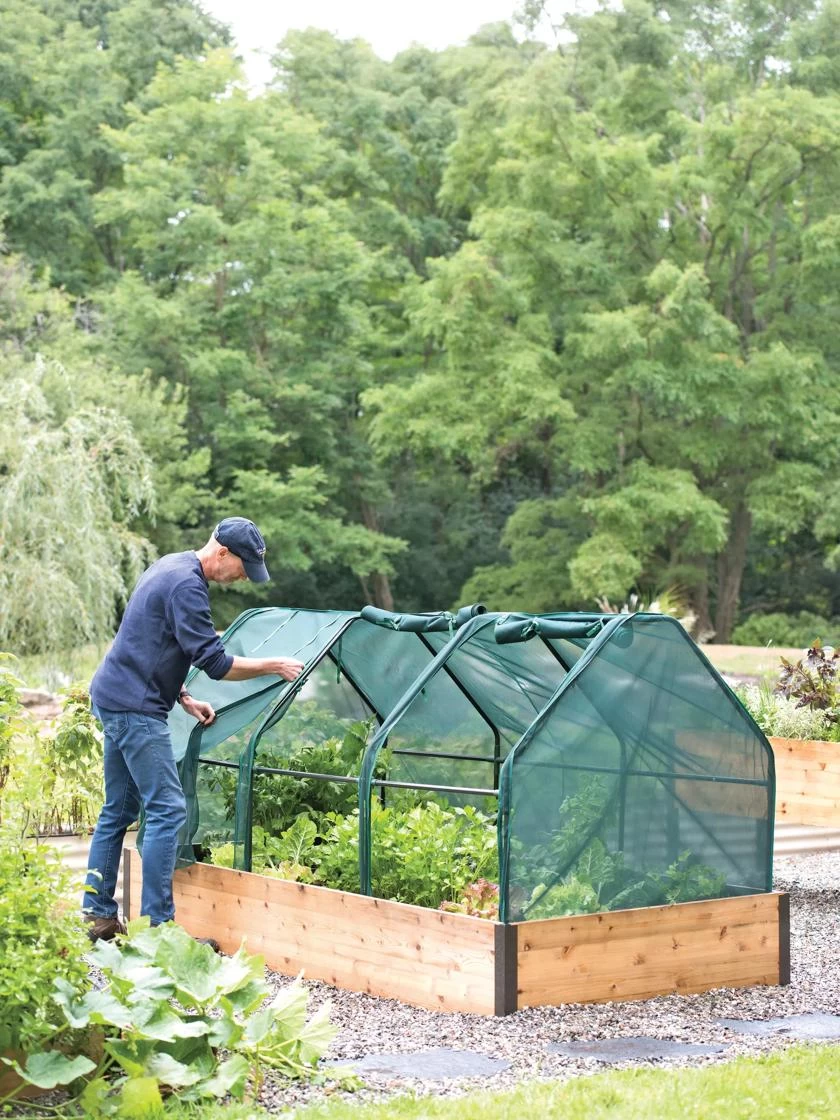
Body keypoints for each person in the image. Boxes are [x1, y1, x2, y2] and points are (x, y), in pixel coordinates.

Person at [83, 516, 304, 943]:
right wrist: (274, 665)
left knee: (118, 810)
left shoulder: (171, 565)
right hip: (134, 709)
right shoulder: (187, 586)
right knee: (167, 809)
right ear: (222, 552)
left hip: (112, 695)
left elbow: (151, 642)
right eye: (242, 567)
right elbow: (216, 663)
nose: (242, 577)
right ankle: (159, 932)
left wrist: (182, 696)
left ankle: (98, 916)